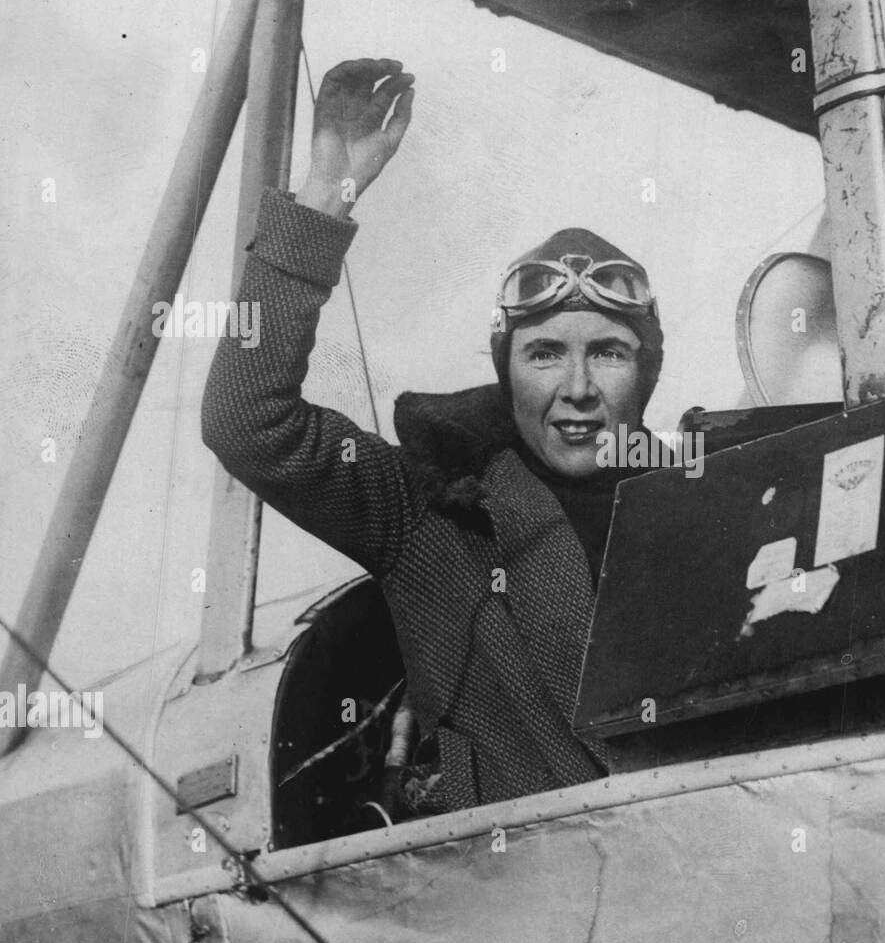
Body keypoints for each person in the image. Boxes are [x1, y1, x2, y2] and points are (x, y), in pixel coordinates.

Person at [201, 58, 665, 818]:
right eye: (544, 352)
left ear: (645, 370)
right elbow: (246, 421)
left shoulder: (708, 502)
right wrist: (327, 193)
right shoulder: (430, 513)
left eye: (608, 351)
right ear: (505, 371)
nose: (577, 387)